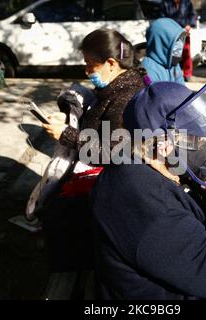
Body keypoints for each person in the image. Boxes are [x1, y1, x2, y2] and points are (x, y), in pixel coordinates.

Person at [91, 81, 206, 299]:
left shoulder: (160, 163)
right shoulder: (146, 203)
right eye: (194, 136)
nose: (203, 142)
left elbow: (203, 198)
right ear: (163, 144)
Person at [37, 28, 147, 272]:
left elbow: (112, 153)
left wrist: (65, 135)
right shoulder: (118, 84)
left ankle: (75, 270)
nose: (86, 72)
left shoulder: (125, 96)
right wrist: (67, 120)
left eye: (90, 65)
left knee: (58, 213)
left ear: (110, 63)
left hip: (114, 178)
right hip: (101, 167)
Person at [160, 0, 197, 82]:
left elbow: (193, 15)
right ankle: (172, 74)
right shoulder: (165, 3)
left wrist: (189, 24)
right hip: (171, 32)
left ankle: (187, 74)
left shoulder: (187, 2)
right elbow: (162, 17)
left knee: (186, 52)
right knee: (173, 54)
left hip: (183, 31)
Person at [142, 17, 186, 85]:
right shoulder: (148, 71)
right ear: (161, 42)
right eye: (176, 42)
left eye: (181, 40)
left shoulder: (172, 63)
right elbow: (154, 94)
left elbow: (182, 87)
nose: (180, 46)